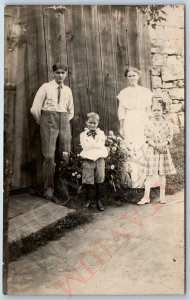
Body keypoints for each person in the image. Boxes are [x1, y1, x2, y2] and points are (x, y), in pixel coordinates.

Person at [30, 63, 74, 202]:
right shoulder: (46, 87)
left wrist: (65, 120)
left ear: (66, 75)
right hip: (48, 121)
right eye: (58, 73)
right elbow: (35, 109)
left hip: (64, 121)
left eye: (63, 73)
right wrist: (41, 121)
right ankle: (49, 188)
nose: (60, 75)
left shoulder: (68, 90)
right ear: (53, 73)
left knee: (65, 155)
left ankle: (60, 185)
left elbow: (71, 111)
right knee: (49, 156)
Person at [117, 67, 153, 188]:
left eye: (134, 75)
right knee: (131, 145)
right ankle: (133, 180)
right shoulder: (124, 93)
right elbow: (121, 110)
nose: (132, 78)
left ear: (138, 76)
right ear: (127, 78)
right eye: (129, 76)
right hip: (130, 119)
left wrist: (151, 124)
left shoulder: (145, 92)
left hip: (142, 119)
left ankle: (146, 179)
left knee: (143, 145)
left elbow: (148, 110)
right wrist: (121, 126)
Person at [137, 100, 176, 205]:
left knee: (162, 173)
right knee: (149, 173)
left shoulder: (168, 124)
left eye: (159, 110)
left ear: (163, 111)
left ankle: (162, 196)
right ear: (151, 111)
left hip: (163, 150)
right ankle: (146, 197)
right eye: (154, 110)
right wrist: (154, 145)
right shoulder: (148, 124)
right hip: (151, 150)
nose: (156, 112)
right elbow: (147, 137)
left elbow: (169, 137)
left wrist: (162, 144)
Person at [80, 112, 108, 211]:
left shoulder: (101, 133)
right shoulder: (83, 134)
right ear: (86, 122)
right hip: (88, 159)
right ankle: (87, 200)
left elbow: (101, 144)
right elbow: (85, 146)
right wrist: (95, 145)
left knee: (99, 180)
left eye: (94, 123)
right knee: (88, 180)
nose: (92, 125)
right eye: (90, 122)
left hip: (99, 159)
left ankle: (98, 200)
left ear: (98, 123)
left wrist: (92, 145)